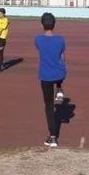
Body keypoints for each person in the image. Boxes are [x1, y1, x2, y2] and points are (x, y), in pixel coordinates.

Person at [34, 12, 66, 148]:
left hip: (46, 75)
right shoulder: (61, 40)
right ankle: (59, 88)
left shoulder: (38, 39)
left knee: (49, 106)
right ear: (54, 24)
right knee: (59, 74)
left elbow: (41, 50)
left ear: (42, 24)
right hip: (60, 74)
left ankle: (53, 137)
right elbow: (62, 58)